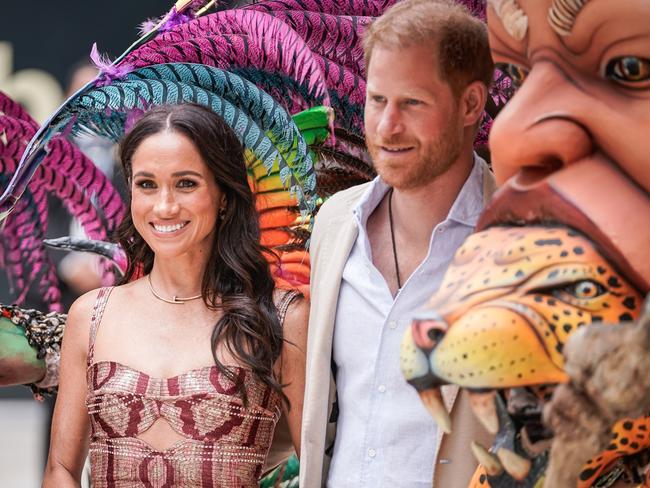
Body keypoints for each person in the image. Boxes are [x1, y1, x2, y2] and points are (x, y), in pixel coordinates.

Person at [42, 103, 308, 487]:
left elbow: (320, 466)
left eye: (186, 183)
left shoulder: (283, 318)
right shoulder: (91, 315)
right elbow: (60, 469)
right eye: (147, 184)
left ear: (223, 194)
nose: (164, 206)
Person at [300, 0, 497, 486]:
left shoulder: (517, 236)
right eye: (376, 100)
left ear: (471, 104)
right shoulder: (334, 223)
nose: (386, 127)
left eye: (412, 103)